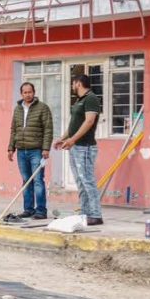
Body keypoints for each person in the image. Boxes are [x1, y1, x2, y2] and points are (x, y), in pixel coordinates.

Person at [54, 74, 103, 226]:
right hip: (75, 146)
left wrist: (73, 140)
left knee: (88, 181)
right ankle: (85, 212)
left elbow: (89, 122)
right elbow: (74, 124)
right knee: (80, 181)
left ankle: (95, 214)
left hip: (85, 147)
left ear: (78, 83)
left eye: (73, 83)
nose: (72, 86)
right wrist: (63, 138)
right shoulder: (79, 101)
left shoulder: (91, 98)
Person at [7, 82, 53, 219]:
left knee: (38, 180)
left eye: (30, 92)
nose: (28, 94)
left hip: (36, 150)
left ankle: (41, 210)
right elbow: (13, 130)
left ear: (34, 92)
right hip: (21, 151)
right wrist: (11, 148)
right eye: (25, 92)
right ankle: (28, 209)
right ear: (21, 94)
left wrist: (46, 148)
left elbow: (48, 129)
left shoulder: (43, 108)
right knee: (26, 180)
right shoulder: (17, 109)